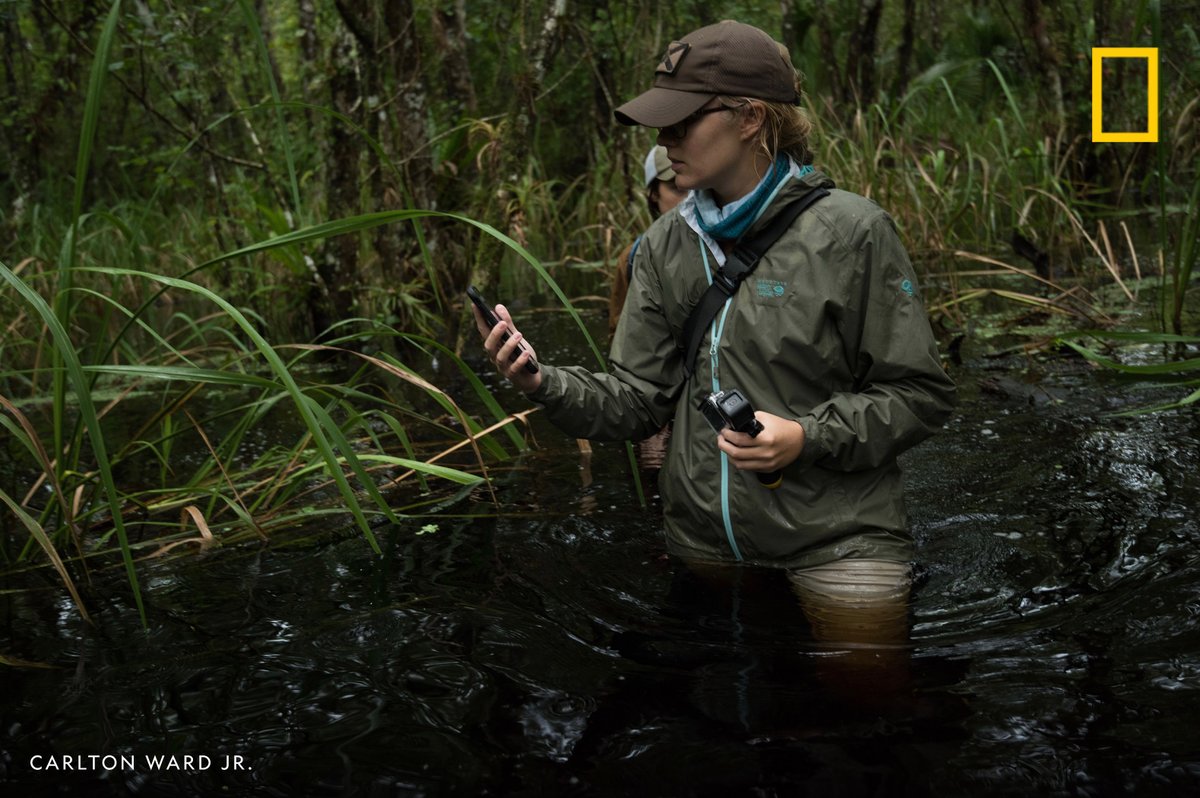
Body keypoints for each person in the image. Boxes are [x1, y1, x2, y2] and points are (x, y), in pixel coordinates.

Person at [473, 21, 955, 657]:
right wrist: (541, 381)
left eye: (681, 122)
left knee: (863, 705)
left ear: (750, 117)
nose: (665, 140)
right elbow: (640, 400)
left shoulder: (852, 233)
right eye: (660, 125)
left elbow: (920, 395)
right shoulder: (662, 246)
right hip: (703, 546)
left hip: (838, 540)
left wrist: (806, 437)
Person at [608, 145, 687, 335]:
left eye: (695, 187)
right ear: (653, 194)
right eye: (676, 187)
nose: (690, 197)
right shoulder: (634, 258)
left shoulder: (726, 244)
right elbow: (621, 338)